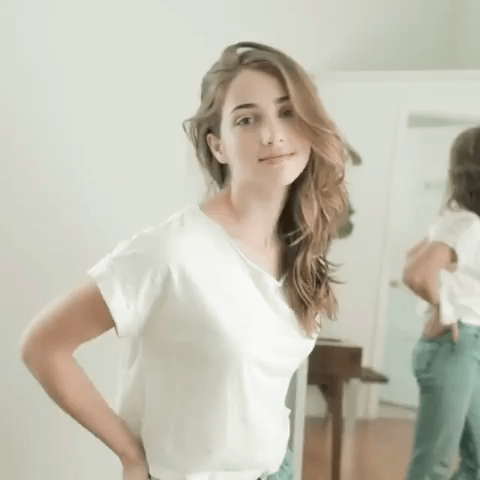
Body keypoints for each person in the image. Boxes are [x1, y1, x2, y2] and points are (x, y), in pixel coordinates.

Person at [18, 41, 349, 480]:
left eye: (287, 112)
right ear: (218, 146)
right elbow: (43, 346)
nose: (273, 134)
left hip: (277, 470)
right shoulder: (173, 252)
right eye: (247, 119)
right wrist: (130, 455)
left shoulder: (299, 245)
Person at [403, 125, 480, 479]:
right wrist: (444, 310)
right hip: (455, 344)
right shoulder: (464, 222)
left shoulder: (463, 222)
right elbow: (416, 273)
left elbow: (412, 255)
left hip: (469, 343)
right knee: (432, 467)